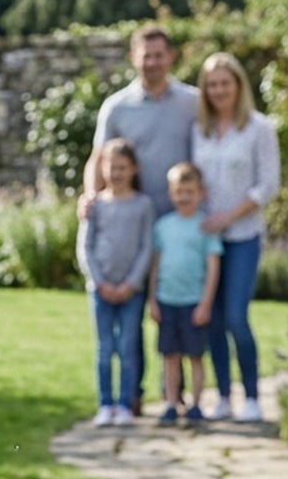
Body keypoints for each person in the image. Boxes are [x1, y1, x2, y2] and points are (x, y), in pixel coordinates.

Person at [80, 25, 198, 412]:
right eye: (145, 55)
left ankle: (175, 393)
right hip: (130, 224)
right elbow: (98, 158)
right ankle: (132, 395)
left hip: (179, 225)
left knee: (173, 309)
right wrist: (90, 196)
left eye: (159, 55)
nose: (152, 62)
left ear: (171, 57)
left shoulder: (191, 102)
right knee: (131, 319)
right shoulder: (117, 106)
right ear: (134, 58)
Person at [191, 51, 280, 423]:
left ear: (239, 85)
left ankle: (253, 396)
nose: (218, 90)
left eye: (225, 83)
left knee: (236, 317)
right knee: (210, 317)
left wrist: (230, 214)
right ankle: (224, 396)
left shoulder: (259, 128)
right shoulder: (199, 130)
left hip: (242, 235)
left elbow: (269, 186)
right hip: (207, 239)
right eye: (212, 85)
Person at [83, 139, 154, 427]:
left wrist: (132, 283)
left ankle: (125, 403)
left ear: (133, 169)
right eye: (112, 167)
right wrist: (99, 282)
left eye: (123, 167)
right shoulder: (95, 205)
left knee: (127, 347)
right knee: (104, 349)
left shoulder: (143, 205)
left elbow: (146, 247)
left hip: (131, 291)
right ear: (102, 168)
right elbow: (86, 246)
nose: (117, 173)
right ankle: (105, 404)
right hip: (99, 291)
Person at [148, 162, 220, 426]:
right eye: (179, 191)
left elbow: (213, 268)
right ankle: (170, 402)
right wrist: (152, 299)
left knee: (195, 356)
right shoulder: (163, 227)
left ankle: (197, 404)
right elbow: (155, 265)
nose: (184, 197)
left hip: (193, 302)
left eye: (190, 191)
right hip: (167, 300)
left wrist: (205, 303)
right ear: (171, 193)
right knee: (170, 356)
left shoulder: (205, 226)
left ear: (200, 193)